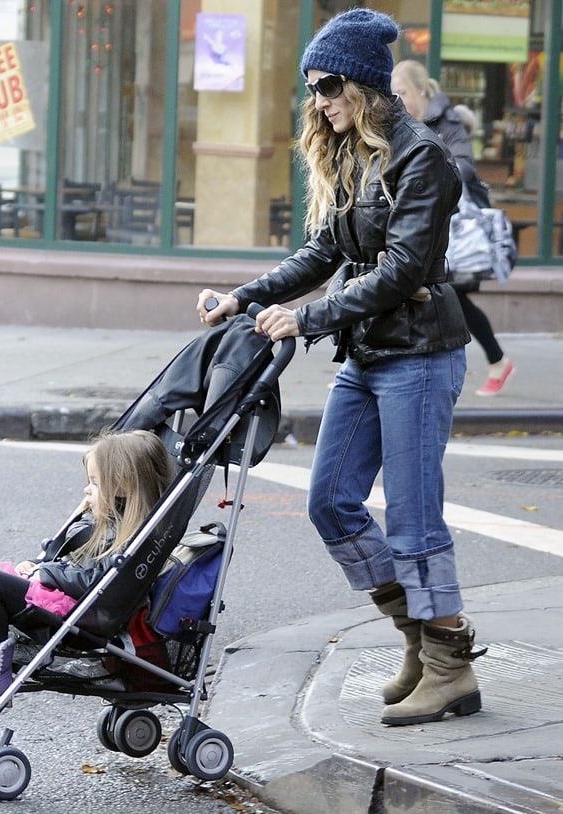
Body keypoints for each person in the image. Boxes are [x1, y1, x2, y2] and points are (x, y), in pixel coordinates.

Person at [197, 9, 486, 727]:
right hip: (368, 354)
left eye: (327, 85)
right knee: (331, 502)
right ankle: (418, 637)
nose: (318, 101)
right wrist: (247, 295)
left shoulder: (422, 159)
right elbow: (323, 253)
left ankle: (449, 667)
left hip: (420, 356)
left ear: (361, 83)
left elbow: (401, 270)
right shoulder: (353, 152)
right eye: (312, 89)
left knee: (416, 521)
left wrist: (308, 317)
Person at [0, 429, 174, 706]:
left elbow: (95, 582)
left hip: (75, 616)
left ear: (122, 487)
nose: (87, 489)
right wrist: (41, 565)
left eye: (95, 483)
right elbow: (70, 563)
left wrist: (47, 573)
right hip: (62, 598)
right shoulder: (101, 522)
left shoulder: (126, 536)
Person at [391, 59, 515, 396]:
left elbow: (464, 166)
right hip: (417, 227)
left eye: (402, 92)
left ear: (421, 89)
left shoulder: (447, 121)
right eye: (393, 93)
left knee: (447, 296)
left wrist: (423, 180)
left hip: (447, 229)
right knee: (422, 293)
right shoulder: (397, 124)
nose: (397, 99)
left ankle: (497, 361)